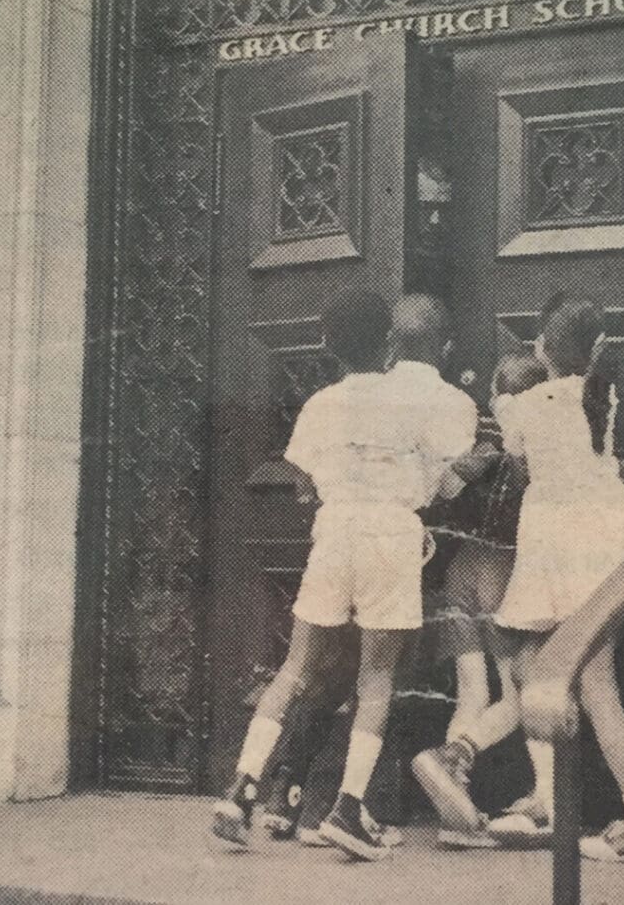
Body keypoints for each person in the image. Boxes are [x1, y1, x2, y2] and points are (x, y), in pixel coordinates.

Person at [211, 290, 477, 861]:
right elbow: (445, 474)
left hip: (334, 532)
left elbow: (303, 483)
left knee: (297, 666)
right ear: (388, 344)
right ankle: (349, 810)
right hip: (391, 534)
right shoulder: (409, 403)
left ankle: (242, 787)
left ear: (329, 347)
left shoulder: (319, 405)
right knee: (377, 676)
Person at [486, 293, 624, 864]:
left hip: (564, 549)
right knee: (542, 667)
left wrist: (502, 405)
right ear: (596, 349)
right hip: (611, 539)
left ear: (540, 347)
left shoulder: (526, 404)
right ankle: (558, 802)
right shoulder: (602, 396)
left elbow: (516, 457)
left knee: (590, 686)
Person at [413, 353, 550, 849]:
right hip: (502, 571)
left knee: (471, 693)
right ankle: (465, 758)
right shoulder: (535, 449)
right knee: (518, 695)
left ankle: (458, 813)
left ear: (494, 394)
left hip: (459, 572)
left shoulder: (482, 444)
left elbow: (443, 486)